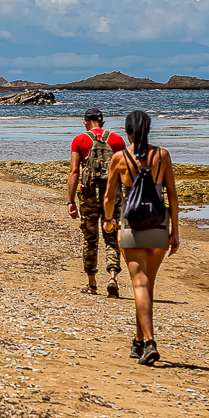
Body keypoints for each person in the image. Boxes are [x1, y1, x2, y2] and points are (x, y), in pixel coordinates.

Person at [102, 110, 179, 366]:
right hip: (158, 224)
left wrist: (109, 219)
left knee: (139, 285)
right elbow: (173, 195)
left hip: (131, 225)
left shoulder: (119, 158)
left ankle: (149, 342)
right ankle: (137, 341)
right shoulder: (163, 155)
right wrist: (175, 231)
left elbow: (109, 197)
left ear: (127, 132)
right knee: (148, 285)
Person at [65, 107, 127, 296]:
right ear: (103, 122)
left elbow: (74, 171)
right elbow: (125, 171)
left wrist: (70, 201)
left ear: (85, 122)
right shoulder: (117, 139)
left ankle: (92, 284)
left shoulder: (79, 140)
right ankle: (112, 277)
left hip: (89, 195)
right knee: (111, 237)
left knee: (90, 240)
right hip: (112, 195)